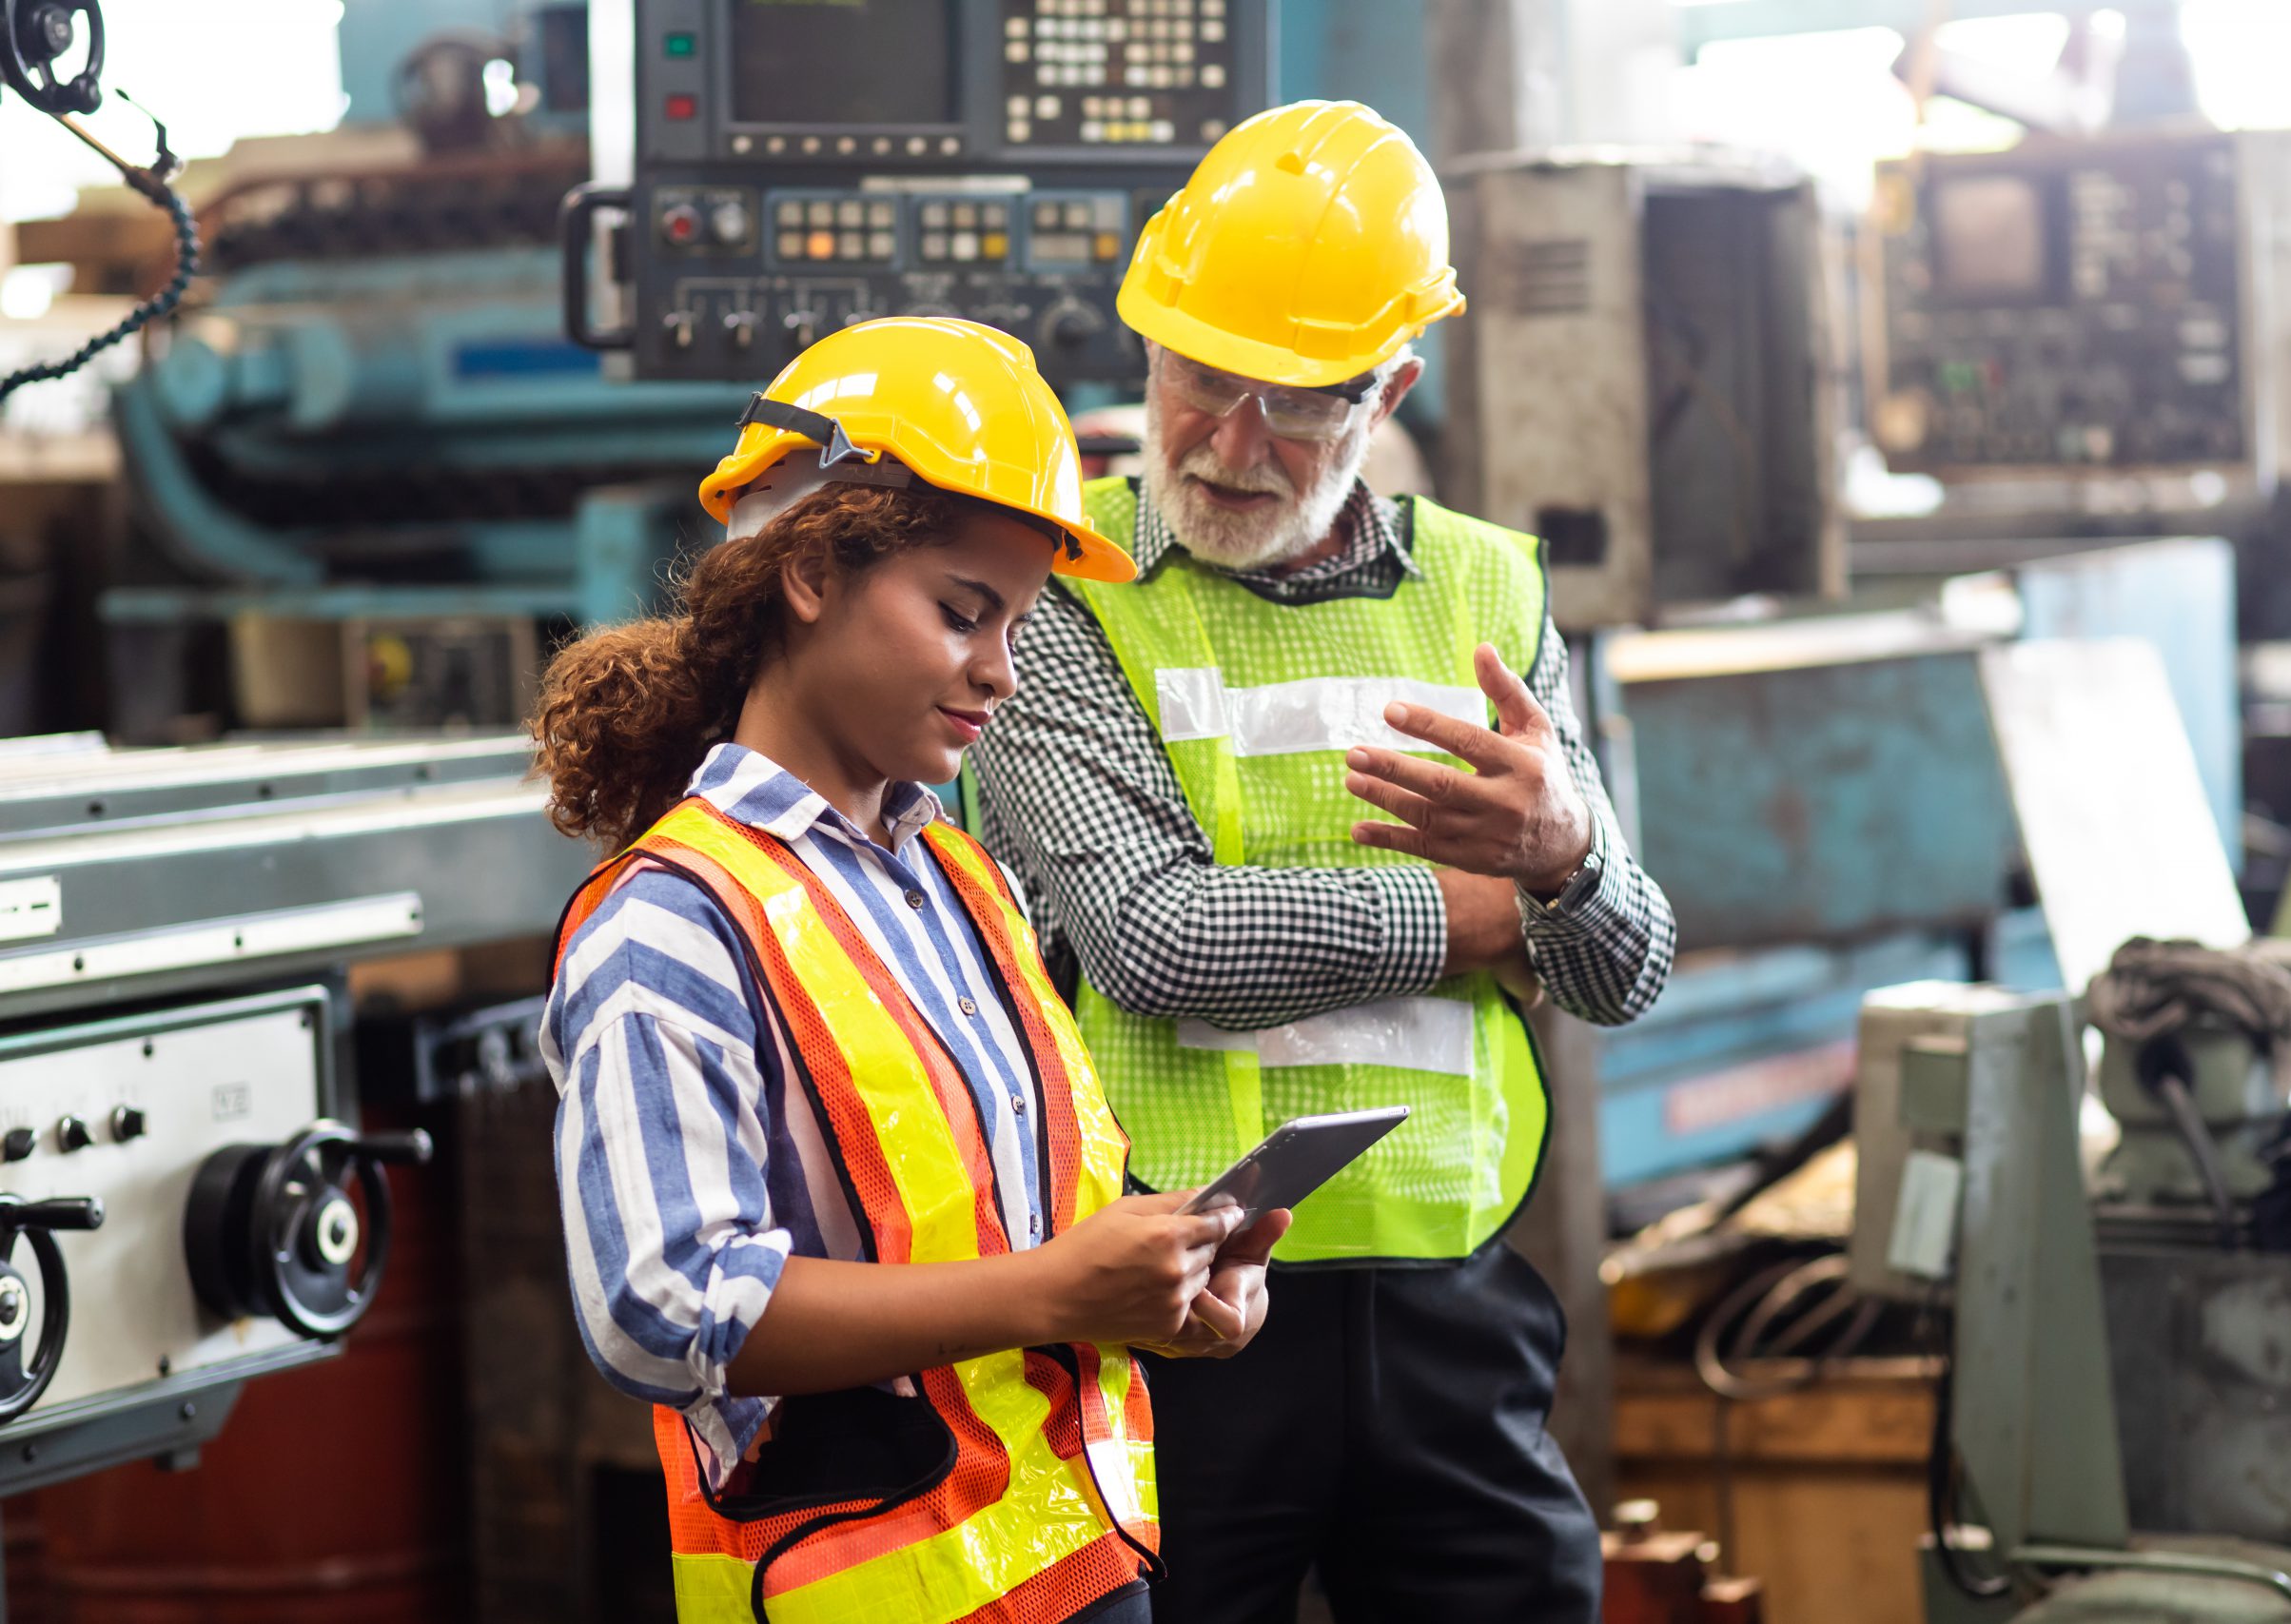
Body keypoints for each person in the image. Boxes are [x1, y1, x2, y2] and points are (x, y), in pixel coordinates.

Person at [968, 104, 1677, 1622]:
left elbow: (1630, 970)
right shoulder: (1064, 592)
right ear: (1144, 340)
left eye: (1293, 403)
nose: (1227, 444)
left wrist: (1569, 866)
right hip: (1169, 1304)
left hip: (1455, 1305)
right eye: (1198, 377)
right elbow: (1159, 940)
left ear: (1391, 388)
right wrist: (1485, 911)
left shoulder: (1488, 590)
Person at [533, 317, 1290, 1624]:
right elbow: (660, 1310)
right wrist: (1058, 1288)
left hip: (1079, 1571)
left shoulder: (963, 882)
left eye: (1019, 625)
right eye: (961, 613)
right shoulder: (672, 920)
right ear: (813, 573)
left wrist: (1154, 1288)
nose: (999, 671)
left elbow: (1000, 1222)